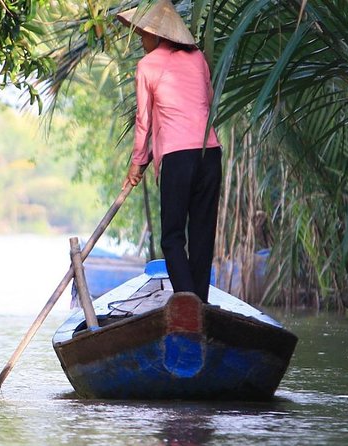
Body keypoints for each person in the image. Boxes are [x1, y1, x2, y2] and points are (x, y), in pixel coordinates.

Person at [117, 0, 222, 303]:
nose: (141, 40)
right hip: (209, 152)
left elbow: (143, 122)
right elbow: (206, 103)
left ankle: (187, 303)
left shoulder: (147, 66)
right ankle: (198, 305)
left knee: (172, 237)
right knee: (202, 237)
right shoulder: (198, 58)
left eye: (144, 34)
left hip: (179, 159)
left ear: (158, 35)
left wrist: (137, 163)